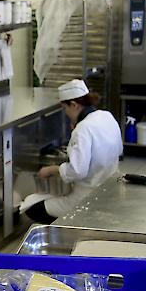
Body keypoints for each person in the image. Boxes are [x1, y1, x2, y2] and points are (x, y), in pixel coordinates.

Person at [22, 79, 123, 223]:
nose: (66, 113)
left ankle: (67, 231)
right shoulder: (106, 116)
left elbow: (77, 171)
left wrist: (52, 169)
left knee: (32, 208)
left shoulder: (83, 129)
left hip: (86, 198)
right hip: (109, 190)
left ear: (74, 105)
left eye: (65, 108)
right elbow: (119, 150)